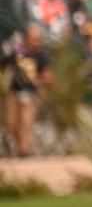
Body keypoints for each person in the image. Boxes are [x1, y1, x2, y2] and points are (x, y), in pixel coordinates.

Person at [1, 24, 53, 156]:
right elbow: (5, 63)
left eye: (39, 39)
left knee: (26, 123)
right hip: (14, 93)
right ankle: (20, 147)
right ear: (27, 38)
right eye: (34, 38)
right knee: (12, 124)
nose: (37, 42)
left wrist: (38, 79)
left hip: (30, 95)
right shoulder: (20, 51)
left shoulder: (42, 56)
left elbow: (48, 77)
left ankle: (24, 151)